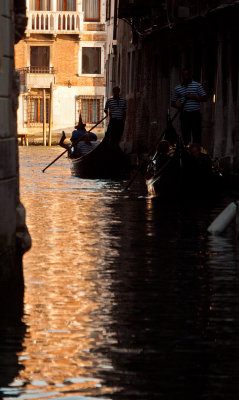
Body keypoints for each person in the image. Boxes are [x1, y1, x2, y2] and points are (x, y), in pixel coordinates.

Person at [171, 68, 207, 145]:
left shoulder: (197, 85)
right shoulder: (178, 88)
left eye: (187, 75)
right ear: (182, 76)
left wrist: (193, 97)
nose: (186, 77)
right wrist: (179, 106)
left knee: (197, 136)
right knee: (185, 136)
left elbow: (205, 98)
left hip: (195, 114)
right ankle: (187, 152)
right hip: (185, 115)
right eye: (184, 75)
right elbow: (172, 103)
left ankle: (197, 154)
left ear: (190, 75)